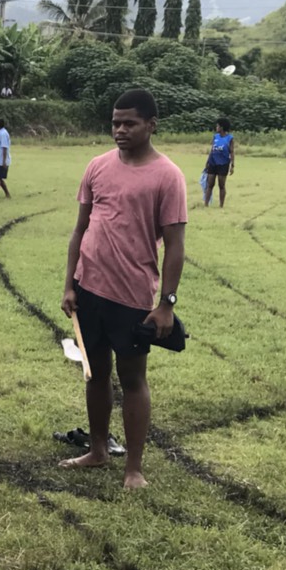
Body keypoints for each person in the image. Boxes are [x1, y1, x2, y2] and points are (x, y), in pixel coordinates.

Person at [60, 89, 187, 490]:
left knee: (132, 379)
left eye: (129, 123)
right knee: (95, 374)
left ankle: (134, 468)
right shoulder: (97, 166)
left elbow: (175, 246)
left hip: (132, 296)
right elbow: (80, 229)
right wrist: (69, 284)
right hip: (88, 289)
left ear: (151, 125)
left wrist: (166, 304)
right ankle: (98, 450)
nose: (120, 130)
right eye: (115, 123)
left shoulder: (167, 175)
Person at [204, 118, 235, 207]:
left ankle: (221, 205)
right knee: (210, 184)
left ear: (222, 127)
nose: (216, 127)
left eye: (217, 126)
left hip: (223, 164)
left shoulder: (230, 138)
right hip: (213, 162)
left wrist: (232, 165)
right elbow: (212, 150)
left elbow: (232, 152)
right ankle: (206, 204)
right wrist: (207, 161)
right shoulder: (215, 137)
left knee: (221, 185)